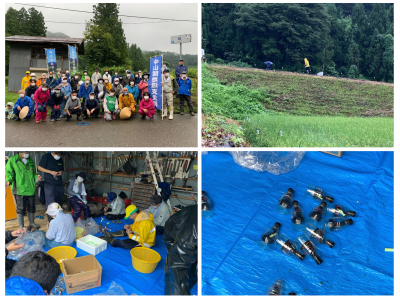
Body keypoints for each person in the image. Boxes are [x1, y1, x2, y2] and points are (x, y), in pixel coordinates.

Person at [164, 205, 197, 295]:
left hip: (186, 226)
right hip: (173, 229)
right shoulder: (189, 239)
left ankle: (189, 282)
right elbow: (176, 265)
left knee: (188, 263)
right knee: (175, 268)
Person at [5, 152, 42, 230]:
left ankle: (31, 223)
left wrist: (37, 177)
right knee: (21, 209)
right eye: (25, 152)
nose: (27, 153)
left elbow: (34, 174)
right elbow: (9, 173)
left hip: (31, 189)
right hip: (19, 189)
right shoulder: (12, 160)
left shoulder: (30, 161)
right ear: (20, 151)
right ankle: (21, 226)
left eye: (28, 151)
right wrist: (8, 181)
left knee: (32, 207)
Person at [38, 152, 64, 222]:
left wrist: (61, 172)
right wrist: (51, 172)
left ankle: (58, 220)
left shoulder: (60, 159)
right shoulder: (46, 157)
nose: (59, 156)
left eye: (60, 154)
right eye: (58, 154)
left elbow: (62, 170)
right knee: (51, 204)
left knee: (58, 203)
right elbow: (39, 167)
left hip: (59, 184)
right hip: (50, 184)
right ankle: (51, 222)